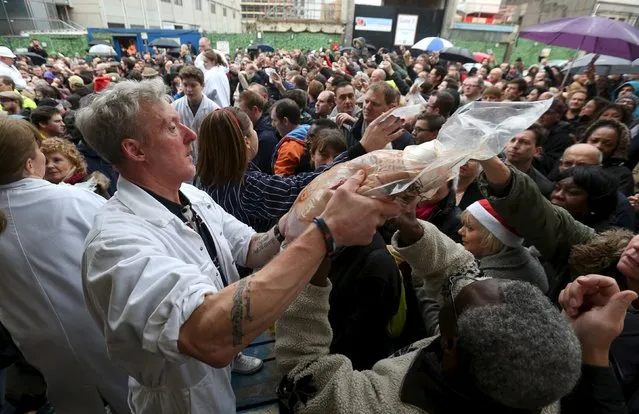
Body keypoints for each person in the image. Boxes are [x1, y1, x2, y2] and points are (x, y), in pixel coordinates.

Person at [76, 78, 401, 414]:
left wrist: (292, 224)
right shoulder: (115, 243)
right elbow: (209, 336)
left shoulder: (192, 196)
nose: (191, 135)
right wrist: (325, 234)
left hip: (218, 388)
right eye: (172, 127)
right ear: (135, 150)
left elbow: (249, 247)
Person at [274, 212, 602, 413]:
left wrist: (310, 277)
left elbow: (304, 373)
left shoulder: (379, 405)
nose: (462, 282)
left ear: (448, 346)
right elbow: (460, 274)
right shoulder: (532, 382)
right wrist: (415, 231)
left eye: (455, 302)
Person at [0, 118, 129, 413]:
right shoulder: (75, 201)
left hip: (37, 343)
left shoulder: (73, 199)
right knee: (134, 399)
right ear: (30, 164)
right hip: (104, 331)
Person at [461, 199, 548, 292]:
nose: (460, 231)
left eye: (469, 228)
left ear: (492, 237)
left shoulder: (489, 282)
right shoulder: (520, 256)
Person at [172, 66, 219, 164]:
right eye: (185, 85)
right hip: (183, 159)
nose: (189, 89)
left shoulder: (213, 109)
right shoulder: (174, 107)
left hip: (208, 161)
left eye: (193, 85)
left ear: (202, 85)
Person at [347, 82, 414, 151]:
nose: (367, 107)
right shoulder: (352, 130)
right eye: (366, 101)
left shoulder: (403, 140)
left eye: (375, 104)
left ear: (391, 107)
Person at [582, 119, 634, 196]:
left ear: (617, 148)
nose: (598, 146)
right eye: (594, 140)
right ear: (586, 139)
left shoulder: (622, 174)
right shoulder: (569, 160)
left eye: (608, 144)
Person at [504, 124, 555, 198]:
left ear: (537, 151)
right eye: (512, 140)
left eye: (524, 142)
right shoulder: (485, 167)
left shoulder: (542, 187)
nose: (515, 146)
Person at [238, 89, 279, 173]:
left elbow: (261, 171)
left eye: (243, 112)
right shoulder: (261, 127)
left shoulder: (265, 137)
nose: (241, 116)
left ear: (255, 110)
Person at [270, 98, 311, 175]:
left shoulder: (289, 148)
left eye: (275, 120)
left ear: (285, 121)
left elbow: (281, 181)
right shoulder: (310, 132)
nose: (272, 124)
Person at [533, 100, 573, 175]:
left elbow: (552, 164)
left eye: (546, 113)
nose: (541, 115)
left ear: (558, 116)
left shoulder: (563, 138)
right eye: (539, 111)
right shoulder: (533, 130)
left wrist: (536, 155)